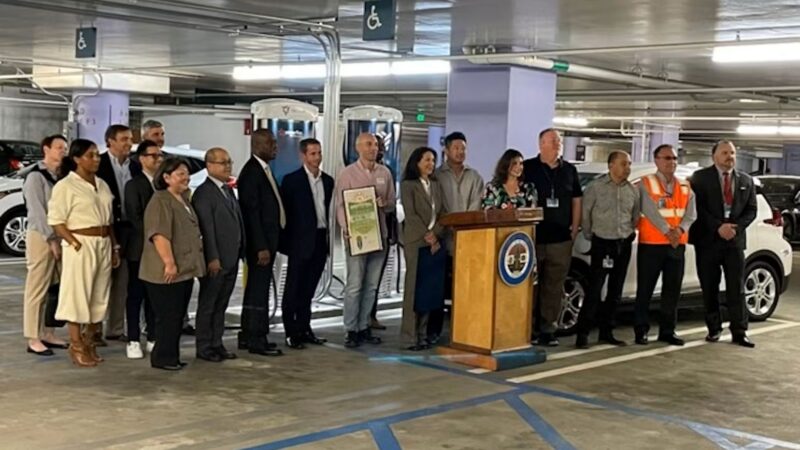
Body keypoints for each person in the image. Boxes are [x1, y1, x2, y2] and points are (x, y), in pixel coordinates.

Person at [48, 139, 120, 367]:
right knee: (77, 293)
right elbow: (57, 221)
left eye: (98, 155)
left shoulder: (102, 184)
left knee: (99, 293)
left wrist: (114, 247)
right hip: (81, 242)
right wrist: (73, 243)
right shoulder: (66, 186)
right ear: (77, 159)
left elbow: (109, 221)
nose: (96, 159)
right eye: (91, 155)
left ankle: (90, 340)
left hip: (103, 241)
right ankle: (76, 343)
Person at [689, 140, 758, 348]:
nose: (730, 156)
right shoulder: (700, 179)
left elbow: (751, 210)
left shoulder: (746, 180)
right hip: (708, 241)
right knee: (709, 286)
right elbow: (697, 208)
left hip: (734, 242)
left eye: (733, 153)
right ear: (714, 156)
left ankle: (739, 331)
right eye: (725, 152)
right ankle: (714, 328)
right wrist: (718, 227)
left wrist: (735, 228)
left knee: (736, 288)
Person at [139, 157, 205, 370]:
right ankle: (163, 358)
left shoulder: (183, 199)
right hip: (165, 271)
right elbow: (159, 235)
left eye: (186, 173)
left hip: (185, 270)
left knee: (177, 316)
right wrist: (169, 263)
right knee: (168, 316)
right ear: (166, 177)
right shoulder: (161, 201)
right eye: (180, 174)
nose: (185, 178)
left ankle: (171, 356)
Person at [335, 132, 396, 348]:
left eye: (376, 145)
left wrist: (384, 203)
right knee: (354, 284)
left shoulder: (385, 173)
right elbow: (340, 205)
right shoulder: (347, 174)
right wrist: (346, 228)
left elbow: (391, 204)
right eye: (368, 144)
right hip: (357, 237)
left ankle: (364, 326)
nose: (373, 148)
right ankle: (350, 329)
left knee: (371, 286)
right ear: (358, 148)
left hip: (379, 236)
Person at [523, 128, 582, 347]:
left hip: (560, 239)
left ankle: (548, 329)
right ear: (541, 144)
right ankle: (527, 329)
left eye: (559, 141)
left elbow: (577, 199)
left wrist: (574, 228)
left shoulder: (569, 170)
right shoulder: (528, 168)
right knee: (531, 287)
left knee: (554, 286)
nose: (558, 144)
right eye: (553, 141)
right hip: (534, 238)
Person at [633, 144, 697, 346]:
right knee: (645, 290)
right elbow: (648, 210)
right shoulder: (646, 183)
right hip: (652, 244)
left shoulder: (686, 186)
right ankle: (641, 330)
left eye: (674, 158)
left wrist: (679, 231)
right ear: (657, 160)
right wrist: (667, 231)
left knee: (672, 291)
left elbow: (691, 213)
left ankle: (668, 331)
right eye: (667, 158)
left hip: (676, 245)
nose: (672, 162)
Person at [575, 151, 639, 349]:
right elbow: (586, 214)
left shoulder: (632, 190)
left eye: (628, 164)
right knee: (595, 288)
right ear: (611, 165)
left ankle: (607, 331)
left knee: (616, 290)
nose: (627, 168)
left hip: (623, 243)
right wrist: (589, 235)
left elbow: (635, 216)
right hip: (602, 243)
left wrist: (628, 233)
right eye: (623, 164)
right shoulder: (596, 188)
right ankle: (583, 333)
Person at [279, 138, 334, 349]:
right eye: (312, 154)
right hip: (300, 242)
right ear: (303, 156)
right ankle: (290, 332)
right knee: (294, 288)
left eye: (319, 153)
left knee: (309, 289)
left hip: (320, 239)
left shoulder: (328, 181)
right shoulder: (291, 181)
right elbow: (287, 215)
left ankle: (304, 328)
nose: (317, 158)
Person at [192, 148, 244, 362]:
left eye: (229, 161)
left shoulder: (227, 190)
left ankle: (217, 342)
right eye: (222, 162)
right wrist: (212, 257)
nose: (228, 166)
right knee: (209, 304)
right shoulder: (204, 193)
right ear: (209, 166)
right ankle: (204, 346)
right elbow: (207, 229)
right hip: (217, 259)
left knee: (221, 303)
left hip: (231, 257)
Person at [432, 131, 484, 342]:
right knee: (438, 286)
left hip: (467, 241)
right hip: (441, 239)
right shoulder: (436, 175)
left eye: (463, 148)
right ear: (446, 150)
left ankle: (463, 330)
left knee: (465, 288)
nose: (460, 152)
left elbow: (476, 206)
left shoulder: (475, 176)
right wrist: (445, 226)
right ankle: (434, 331)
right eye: (456, 148)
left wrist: (463, 226)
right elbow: (435, 205)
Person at [237, 129, 285, 357]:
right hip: (261, 245)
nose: (275, 146)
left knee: (258, 289)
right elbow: (251, 213)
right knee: (258, 291)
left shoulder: (264, 170)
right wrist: (260, 246)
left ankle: (248, 334)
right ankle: (257, 338)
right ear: (257, 145)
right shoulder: (252, 172)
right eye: (270, 143)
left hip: (269, 241)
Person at [22, 134, 69, 356]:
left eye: (65, 148)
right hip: (41, 237)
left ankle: (48, 332)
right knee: (37, 288)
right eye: (59, 147)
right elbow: (38, 212)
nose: (63, 151)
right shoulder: (35, 177)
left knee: (55, 289)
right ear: (46, 149)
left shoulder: (62, 176)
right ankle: (33, 337)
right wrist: (51, 240)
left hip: (61, 236)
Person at [96, 124, 140, 344]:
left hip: (128, 229)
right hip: (105, 228)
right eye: (123, 139)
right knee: (101, 280)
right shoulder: (99, 164)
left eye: (130, 139)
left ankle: (114, 328)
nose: (128, 143)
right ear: (110, 141)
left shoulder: (134, 167)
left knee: (123, 281)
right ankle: (93, 329)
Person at [400, 147, 447, 351]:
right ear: (416, 162)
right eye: (426, 159)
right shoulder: (408, 185)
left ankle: (423, 333)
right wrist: (428, 235)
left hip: (434, 242)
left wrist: (436, 234)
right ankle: (410, 335)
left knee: (429, 290)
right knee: (413, 288)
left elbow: (443, 212)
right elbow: (411, 215)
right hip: (416, 241)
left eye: (433, 160)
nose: (430, 164)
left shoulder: (435, 185)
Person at [123, 140, 162, 359]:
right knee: (136, 294)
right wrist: (155, 237)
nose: (157, 159)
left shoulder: (163, 183)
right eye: (153, 156)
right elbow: (134, 217)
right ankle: (133, 338)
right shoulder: (134, 185)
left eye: (160, 155)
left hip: (161, 249)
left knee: (153, 295)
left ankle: (153, 336)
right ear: (142, 159)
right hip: (140, 248)